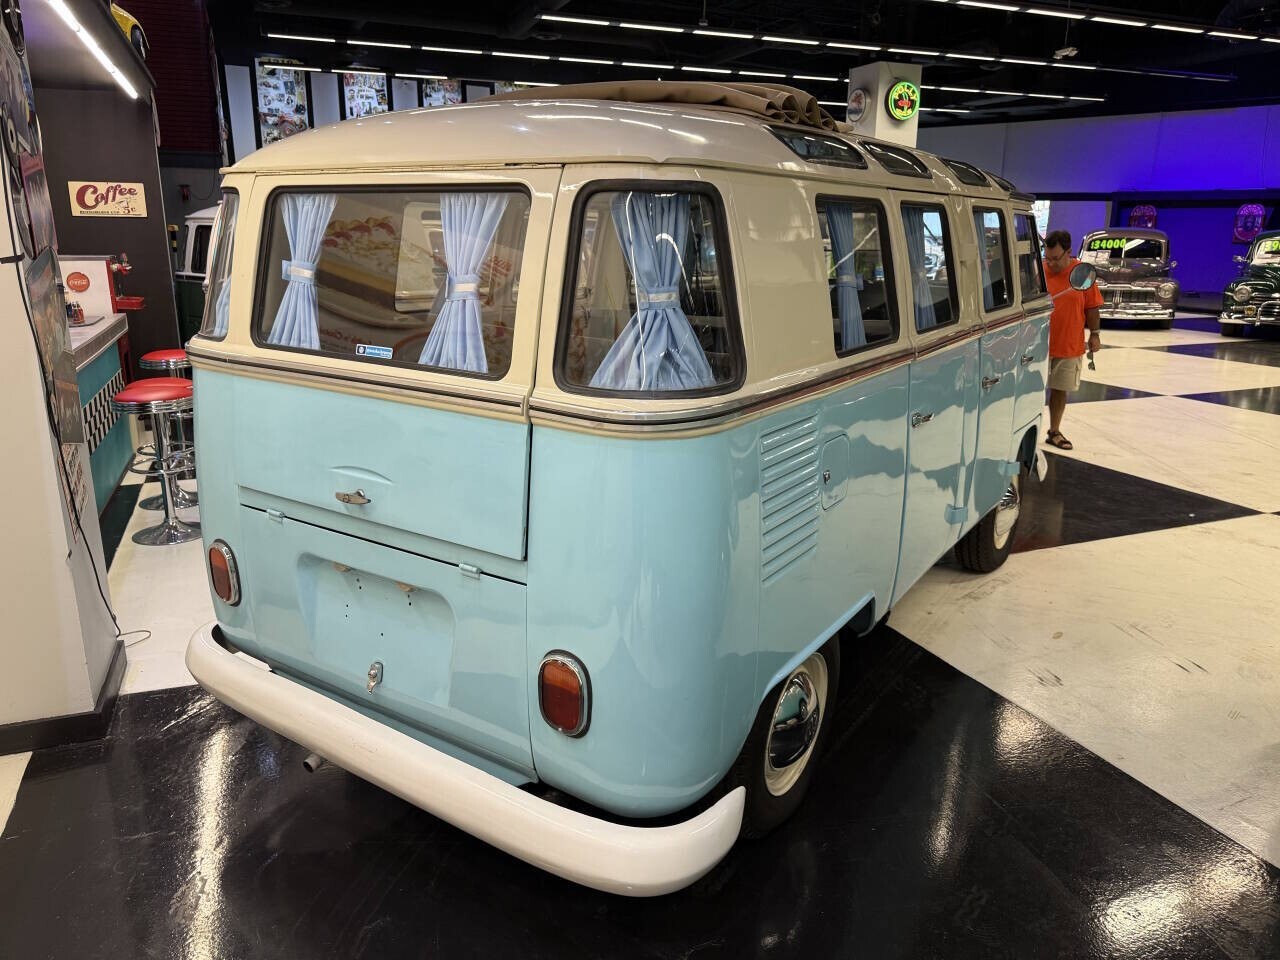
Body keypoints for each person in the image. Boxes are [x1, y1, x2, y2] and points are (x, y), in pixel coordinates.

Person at [1043, 229, 1102, 450]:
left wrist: (1094, 334)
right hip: (1036, 346)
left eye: (1055, 258)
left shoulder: (1082, 273)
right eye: (1047, 258)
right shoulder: (1038, 270)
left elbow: (1092, 307)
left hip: (1068, 344)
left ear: (1068, 252)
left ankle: (1054, 431)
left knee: (1059, 389)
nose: (1050, 263)